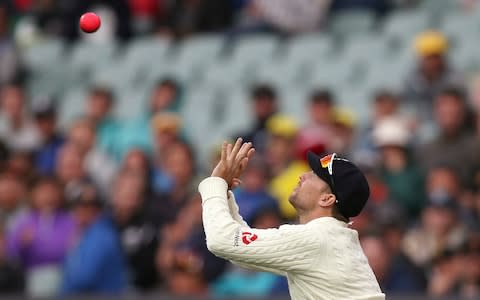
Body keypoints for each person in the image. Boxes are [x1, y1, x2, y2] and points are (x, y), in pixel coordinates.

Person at [198, 138, 385, 299]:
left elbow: (222, 241)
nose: (303, 175)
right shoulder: (330, 236)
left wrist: (214, 183)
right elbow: (243, 255)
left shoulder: (316, 238)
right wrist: (224, 192)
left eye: (315, 175)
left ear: (327, 198)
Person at [6, 177, 75, 297]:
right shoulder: (23, 220)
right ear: (34, 195)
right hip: (30, 277)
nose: (48, 196)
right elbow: (10, 251)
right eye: (43, 192)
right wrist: (21, 243)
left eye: (52, 191)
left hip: (63, 276)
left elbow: (71, 249)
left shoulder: (69, 220)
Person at [61, 185, 127, 295]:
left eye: (83, 206)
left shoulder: (101, 235)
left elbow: (84, 278)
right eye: (75, 207)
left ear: (95, 209)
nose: (76, 212)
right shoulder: (87, 233)